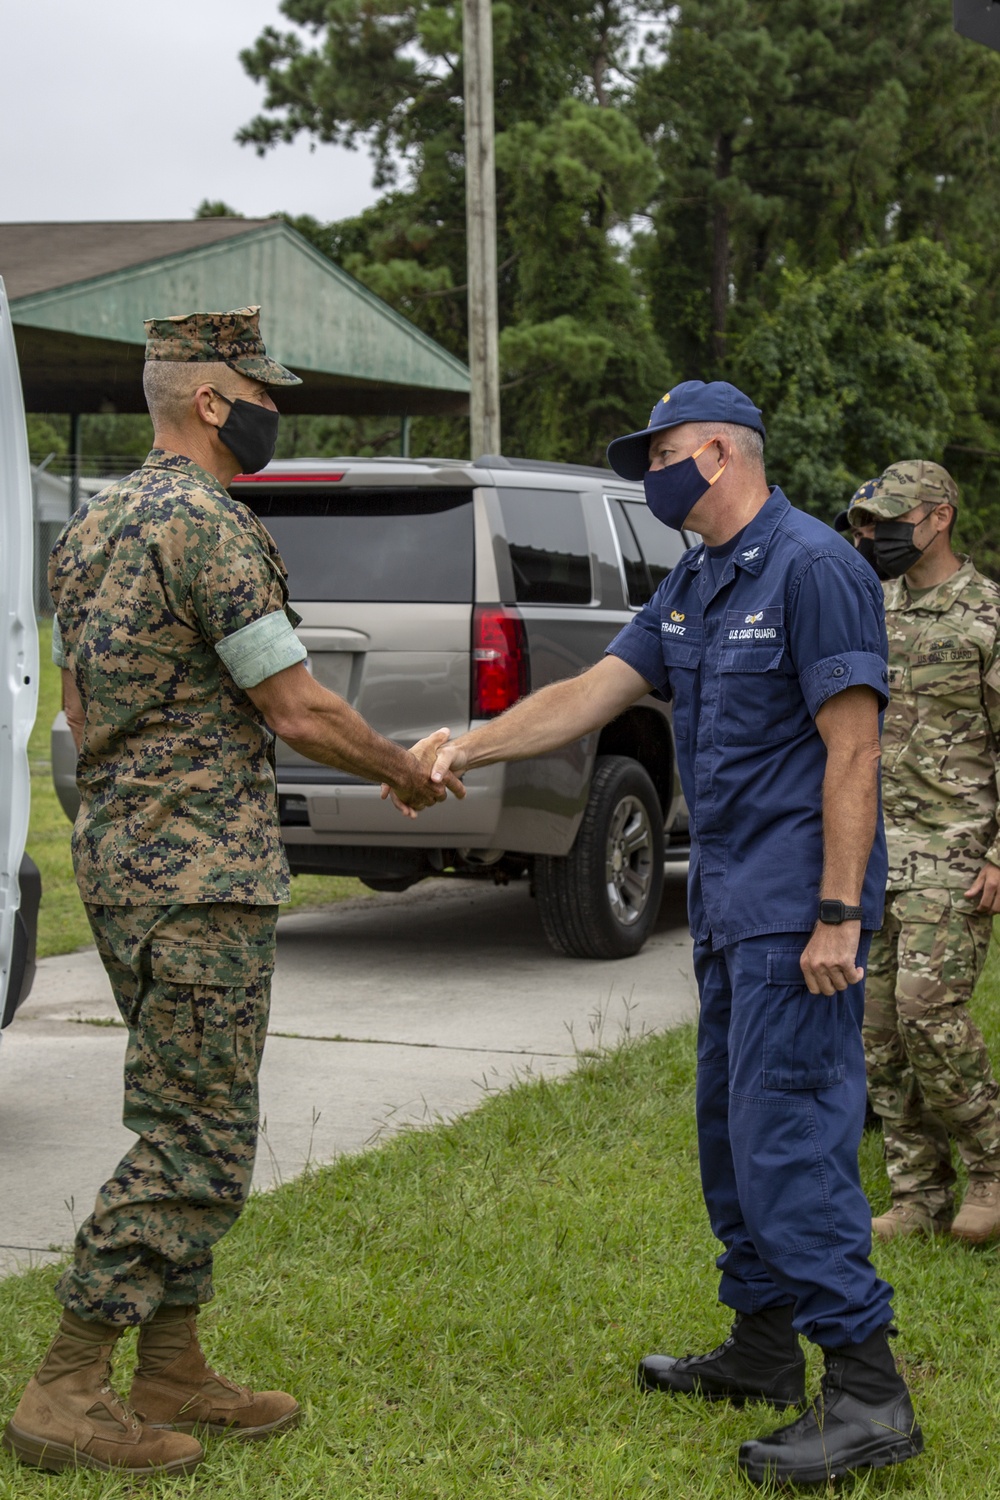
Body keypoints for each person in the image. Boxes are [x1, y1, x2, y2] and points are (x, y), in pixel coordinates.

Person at [423, 380, 923, 1487]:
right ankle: (759, 1352)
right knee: (730, 1138)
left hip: (801, 911)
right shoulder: (697, 578)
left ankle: (869, 1391)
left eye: (657, 455)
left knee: (790, 1141)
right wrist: (473, 745)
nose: (645, 475)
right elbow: (591, 693)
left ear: (716, 453)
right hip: (729, 909)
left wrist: (840, 911)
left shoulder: (815, 568)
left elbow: (854, 752)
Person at [3, 307, 463, 1478]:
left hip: (124, 867)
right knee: (199, 1138)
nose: (275, 412)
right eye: (263, 393)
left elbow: (79, 712)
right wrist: (405, 772)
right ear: (213, 399)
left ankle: (173, 1367)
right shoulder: (208, 526)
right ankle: (65, 1385)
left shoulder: (93, 524)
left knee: (179, 1109)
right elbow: (297, 705)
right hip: (203, 877)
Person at [846, 460, 1000, 1243]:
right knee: (878, 1031)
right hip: (875, 853)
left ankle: (991, 1165)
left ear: (939, 516)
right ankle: (917, 1192)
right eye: (867, 525)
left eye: (891, 521)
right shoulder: (871, 607)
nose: (876, 537)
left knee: (929, 1015)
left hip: (955, 850)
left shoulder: (989, 615)